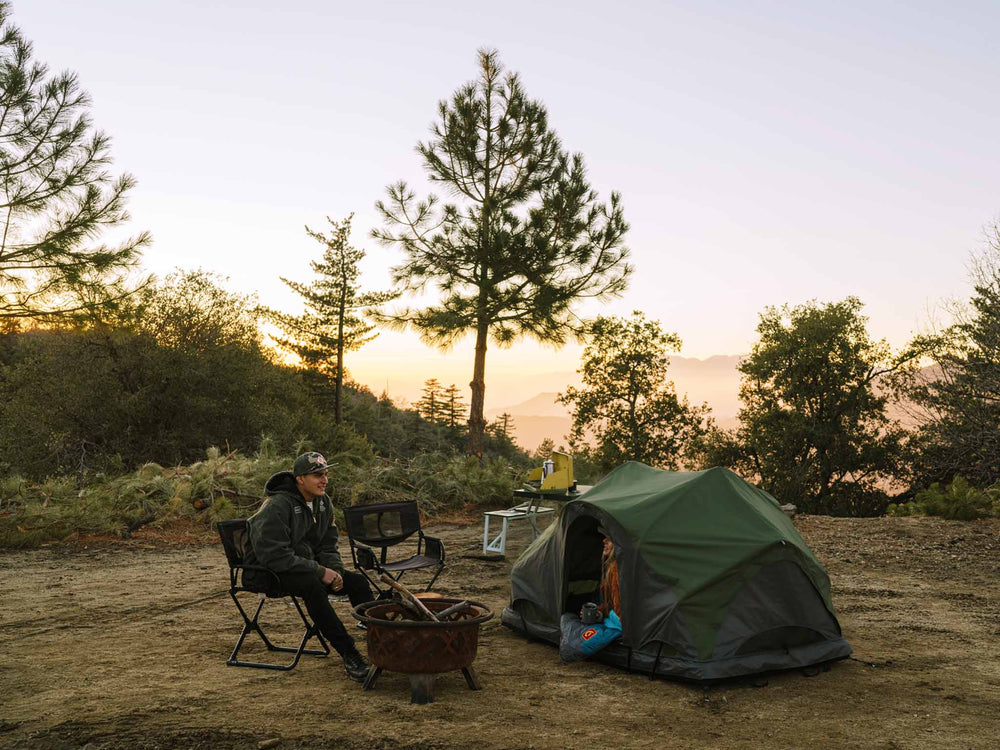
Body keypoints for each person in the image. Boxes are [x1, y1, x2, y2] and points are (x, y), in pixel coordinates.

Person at [243, 451, 374, 682]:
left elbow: (327, 543)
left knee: (358, 582)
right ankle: (350, 655)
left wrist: (336, 572)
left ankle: (383, 643)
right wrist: (320, 571)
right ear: (300, 479)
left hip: (300, 566)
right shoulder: (276, 505)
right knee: (312, 585)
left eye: (325, 474)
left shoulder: (323, 503)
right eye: (316, 475)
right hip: (266, 573)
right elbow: (274, 556)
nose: (323, 480)